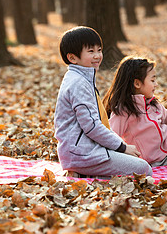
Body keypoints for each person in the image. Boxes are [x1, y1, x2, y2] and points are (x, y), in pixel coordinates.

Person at [54, 27, 152, 178]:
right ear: (73, 58)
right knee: (144, 169)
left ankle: (83, 173)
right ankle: (82, 173)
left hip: (85, 150)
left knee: (134, 161)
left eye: (99, 50)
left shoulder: (80, 78)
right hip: (82, 153)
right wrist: (121, 147)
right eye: (90, 51)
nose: (97, 56)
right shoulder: (78, 84)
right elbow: (92, 126)